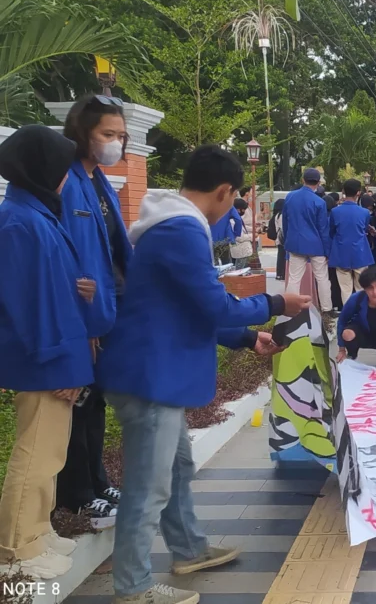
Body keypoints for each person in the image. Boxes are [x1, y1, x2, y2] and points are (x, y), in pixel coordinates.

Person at [96, 145, 310, 604]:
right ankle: (132, 588)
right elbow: (213, 303)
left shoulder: (166, 224)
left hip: (154, 369)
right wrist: (276, 304)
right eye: (233, 201)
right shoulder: (182, 231)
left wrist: (247, 339)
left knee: (176, 468)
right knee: (147, 487)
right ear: (224, 191)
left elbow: (188, 308)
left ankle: (189, 549)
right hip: (150, 375)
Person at [0, 126, 95, 579]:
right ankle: (18, 547)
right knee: (37, 451)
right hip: (45, 359)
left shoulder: (37, 215)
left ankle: (36, 528)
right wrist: (58, 362)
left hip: (53, 353)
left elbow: (53, 289)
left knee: (50, 451)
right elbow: (29, 302)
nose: (66, 177)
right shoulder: (22, 222)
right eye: (61, 168)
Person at [58, 95, 132, 529]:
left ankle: (98, 482)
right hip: (83, 310)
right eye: (108, 134)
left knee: (96, 399)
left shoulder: (99, 181)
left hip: (110, 306)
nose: (116, 143)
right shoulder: (65, 182)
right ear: (83, 133)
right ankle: (77, 495)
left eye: (121, 136)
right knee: (79, 404)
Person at [283, 168, 333, 315]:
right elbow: (323, 228)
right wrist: (327, 250)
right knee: (322, 277)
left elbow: (286, 222)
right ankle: (326, 309)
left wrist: (288, 240)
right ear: (318, 182)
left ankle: (289, 307)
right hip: (316, 245)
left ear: (303, 180)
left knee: (294, 278)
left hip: (295, 243)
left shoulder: (290, 197)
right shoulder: (319, 202)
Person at [330, 178, 374, 304]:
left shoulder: (335, 211)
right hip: (360, 253)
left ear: (343, 191)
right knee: (361, 288)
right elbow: (365, 229)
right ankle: (361, 314)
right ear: (358, 193)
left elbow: (331, 231)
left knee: (345, 289)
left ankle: (348, 315)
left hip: (341, 253)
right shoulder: (365, 212)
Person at [230, 197, 253, 268]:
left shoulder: (236, 219)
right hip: (240, 251)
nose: (244, 211)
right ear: (237, 209)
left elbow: (243, 228)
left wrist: (254, 229)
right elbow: (239, 237)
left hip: (243, 251)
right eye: (243, 209)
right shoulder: (233, 220)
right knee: (240, 271)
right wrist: (252, 236)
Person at [267, 198, 286, 280]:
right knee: (282, 257)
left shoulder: (276, 215)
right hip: (283, 240)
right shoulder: (281, 215)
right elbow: (283, 228)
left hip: (279, 239)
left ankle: (280, 273)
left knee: (280, 256)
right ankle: (281, 274)